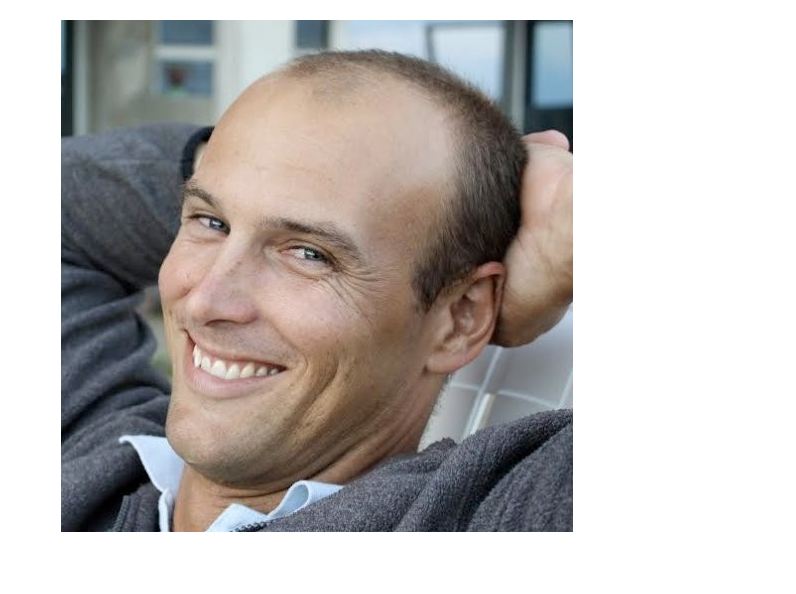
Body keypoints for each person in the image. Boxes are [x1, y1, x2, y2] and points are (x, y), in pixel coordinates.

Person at [61, 50, 573, 531]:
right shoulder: (97, 454)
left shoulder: (484, 518)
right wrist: (231, 155)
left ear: (460, 316)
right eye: (211, 221)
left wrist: (562, 216)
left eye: (308, 253)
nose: (205, 302)